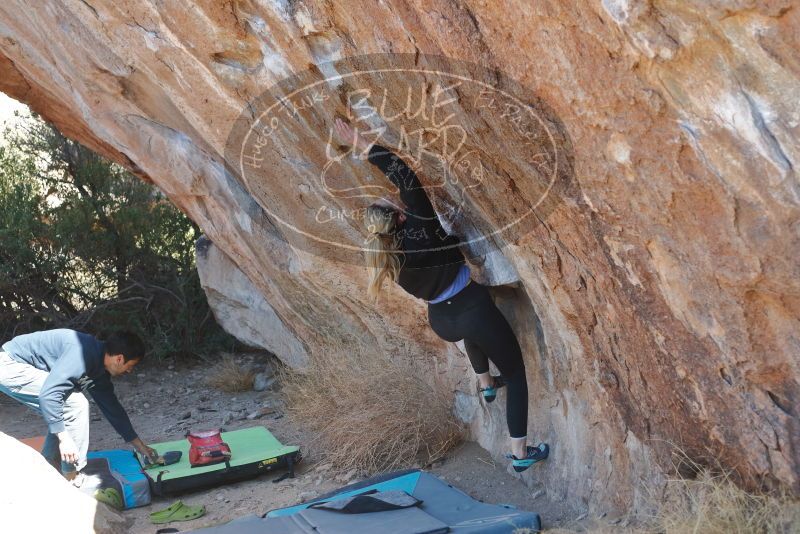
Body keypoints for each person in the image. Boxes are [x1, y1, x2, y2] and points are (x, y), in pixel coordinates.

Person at [332, 117, 550, 472]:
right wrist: (362, 143)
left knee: (473, 332)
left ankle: (485, 383)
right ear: (399, 218)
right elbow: (404, 176)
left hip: (442, 320)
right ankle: (521, 454)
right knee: (517, 374)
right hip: (470, 308)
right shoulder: (421, 225)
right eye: (392, 203)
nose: (396, 201)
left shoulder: (389, 258)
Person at [0, 328, 159, 484]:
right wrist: (64, 439)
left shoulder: (98, 369)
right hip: (10, 364)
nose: (130, 371)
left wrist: (140, 446)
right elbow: (49, 394)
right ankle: (73, 476)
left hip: (18, 365)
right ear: (119, 359)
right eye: (130, 365)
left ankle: (49, 468)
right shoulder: (81, 354)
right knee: (76, 404)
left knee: (68, 406)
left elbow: (113, 409)